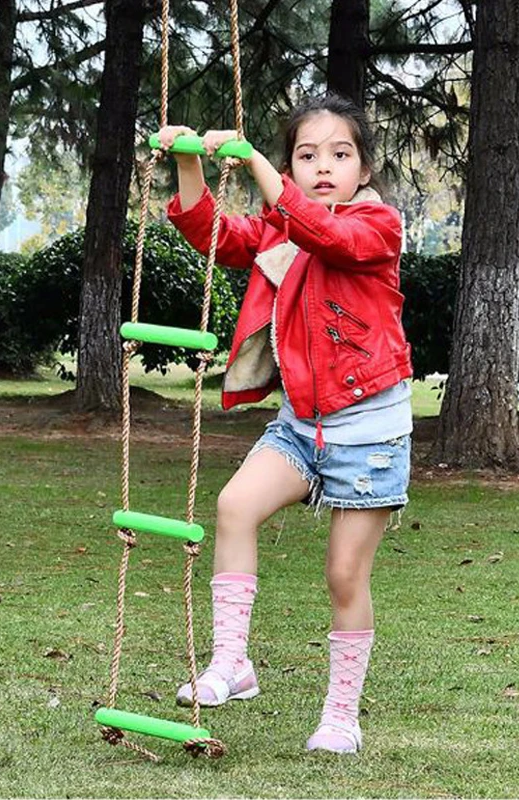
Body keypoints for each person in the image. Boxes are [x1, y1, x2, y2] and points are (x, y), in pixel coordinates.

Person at [156, 93, 413, 755]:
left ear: (362, 166)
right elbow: (214, 233)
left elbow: (325, 234)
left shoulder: (377, 223)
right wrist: (190, 161)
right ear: (291, 165)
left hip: (368, 436)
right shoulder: (280, 227)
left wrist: (258, 167)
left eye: (339, 153)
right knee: (235, 505)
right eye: (306, 155)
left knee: (343, 577)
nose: (322, 166)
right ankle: (233, 664)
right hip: (302, 425)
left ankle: (340, 716)